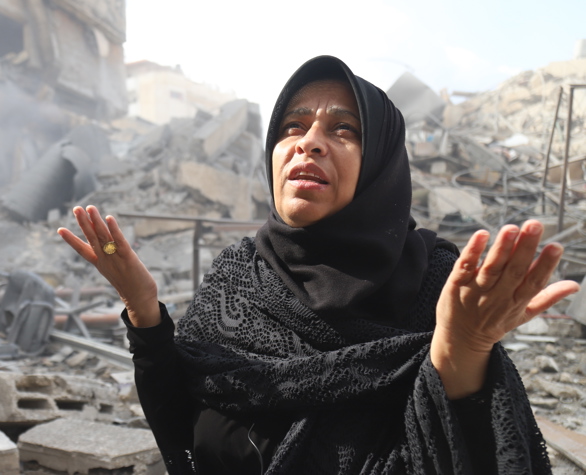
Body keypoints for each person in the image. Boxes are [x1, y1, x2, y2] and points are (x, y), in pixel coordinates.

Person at [58, 55, 579, 474]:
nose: (308, 142)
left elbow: (478, 454)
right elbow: (180, 428)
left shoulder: (436, 289)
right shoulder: (238, 278)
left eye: (344, 129)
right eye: (293, 126)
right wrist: (144, 311)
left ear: (381, 164)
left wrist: (460, 350)